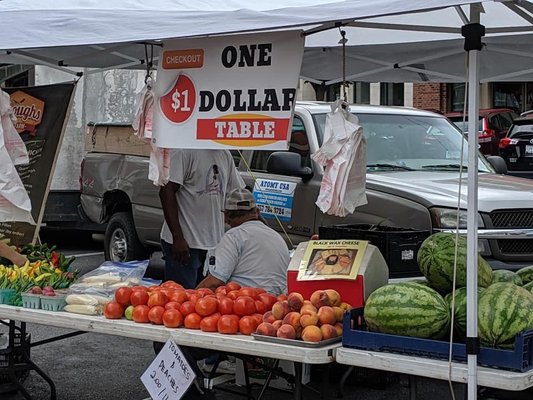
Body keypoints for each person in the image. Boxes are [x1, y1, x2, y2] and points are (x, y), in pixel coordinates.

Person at [159, 149, 244, 289]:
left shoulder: (224, 153)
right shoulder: (185, 151)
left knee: (204, 301)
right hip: (185, 244)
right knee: (182, 300)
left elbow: (237, 190)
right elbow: (166, 191)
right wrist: (177, 237)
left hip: (213, 244)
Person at [197, 188, 290, 296]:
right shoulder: (276, 235)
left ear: (227, 217)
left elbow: (215, 282)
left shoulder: (233, 237)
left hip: (249, 302)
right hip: (278, 302)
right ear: (257, 212)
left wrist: (191, 297)